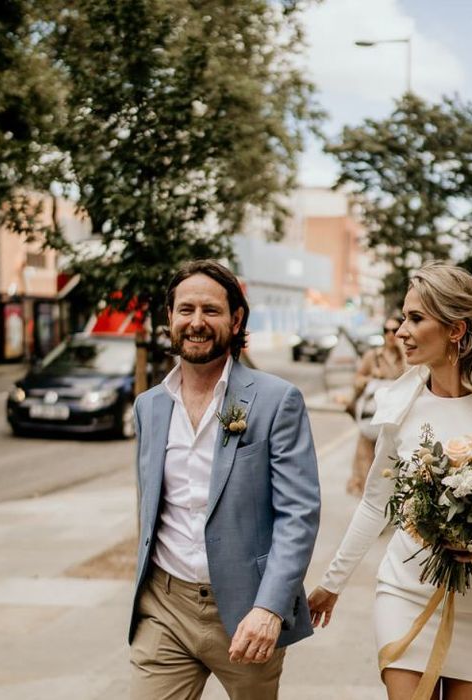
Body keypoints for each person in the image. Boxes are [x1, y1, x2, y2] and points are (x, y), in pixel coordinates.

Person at [308, 262, 472, 700]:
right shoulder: (397, 402)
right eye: (403, 318)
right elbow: (376, 504)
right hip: (405, 590)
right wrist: (331, 583)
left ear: (455, 329)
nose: (401, 332)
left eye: (416, 319)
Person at [129, 260, 321, 700]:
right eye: (185, 310)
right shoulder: (149, 406)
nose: (196, 322)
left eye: (211, 311)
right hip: (164, 606)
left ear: (236, 321)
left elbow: (299, 514)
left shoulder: (276, 401)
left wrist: (270, 607)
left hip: (246, 609)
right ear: (170, 319)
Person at [346, 316, 406, 496]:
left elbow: (412, 377)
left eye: (394, 330)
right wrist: (372, 378)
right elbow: (357, 380)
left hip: (394, 419)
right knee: (366, 464)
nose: (390, 335)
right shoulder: (372, 356)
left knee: (390, 467)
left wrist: (401, 352)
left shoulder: (406, 356)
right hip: (371, 419)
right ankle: (367, 501)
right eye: (386, 331)